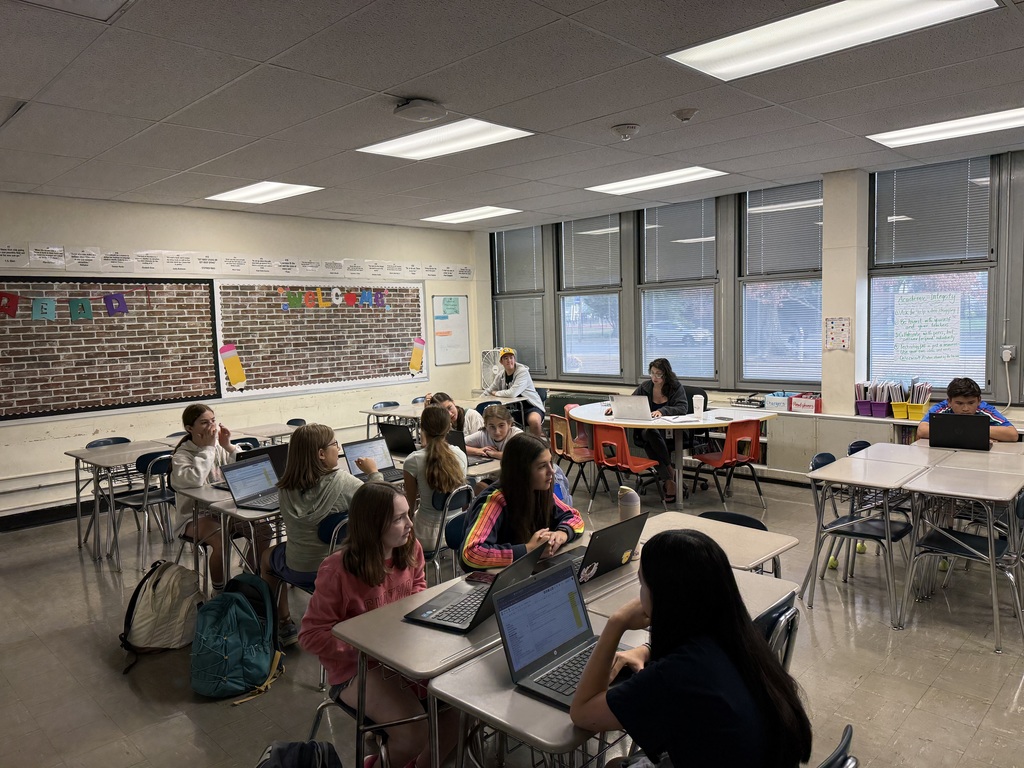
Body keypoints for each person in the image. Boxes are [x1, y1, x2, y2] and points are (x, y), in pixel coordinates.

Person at [570, 529, 813, 768]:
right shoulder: (740, 639)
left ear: (666, 598)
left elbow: (582, 713)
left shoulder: (673, 676)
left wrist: (616, 624)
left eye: (643, 585)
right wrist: (646, 650)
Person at [299, 482, 459, 768]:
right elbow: (310, 636)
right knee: (413, 734)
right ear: (372, 525)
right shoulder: (338, 570)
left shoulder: (409, 548)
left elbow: (417, 593)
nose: (410, 524)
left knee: (459, 707)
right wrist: (368, 646)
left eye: (409, 514)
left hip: (402, 659)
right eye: (399, 519)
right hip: (355, 669)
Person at [258, 423, 381, 647]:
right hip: (338, 570)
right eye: (334, 443)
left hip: (297, 568)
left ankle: (284, 623)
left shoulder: (284, 488)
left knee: (267, 556)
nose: (338, 447)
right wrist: (373, 473)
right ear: (321, 454)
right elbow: (381, 503)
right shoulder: (346, 483)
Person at [171, 403, 270, 592]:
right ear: (190, 428)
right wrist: (208, 448)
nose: (211, 427)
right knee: (220, 537)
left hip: (224, 509)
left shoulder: (218, 447)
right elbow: (195, 479)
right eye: (204, 423)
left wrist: (229, 446)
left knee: (263, 529)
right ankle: (221, 591)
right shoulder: (182, 455)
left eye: (213, 421)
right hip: (195, 517)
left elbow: (244, 470)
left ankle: (249, 580)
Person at [460, 433, 584, 571]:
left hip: (525, 572)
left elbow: (574, 517)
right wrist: (528, 550)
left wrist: (562, 534)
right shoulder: (495, 500)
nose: (551, 471)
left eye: (550, 463)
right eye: (542, 466)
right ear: (521, 471)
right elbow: (471, 553)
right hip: (496, 581)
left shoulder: (539, 489)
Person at [605, 358, 688, 503]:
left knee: (651, 442)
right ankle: (669, 474)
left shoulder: (675, 387)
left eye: (658, 374)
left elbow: (682, 408)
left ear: (666, 375)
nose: (654, 377)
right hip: (647, 431)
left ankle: (668, 478)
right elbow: (630, 403)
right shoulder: (645, 387)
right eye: (652, 373)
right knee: (650, 433)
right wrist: (616, 408)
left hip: (672, 433)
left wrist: (663, 411)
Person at [402, 405, 468, 551]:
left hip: (427, 536)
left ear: (422, 428)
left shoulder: (413, 461)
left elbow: (410, 507)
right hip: (458, 529)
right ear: (449, 427)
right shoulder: (461, 455)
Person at [915, 376, 1017, 442]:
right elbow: (922, 430)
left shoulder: (985, 409)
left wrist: (957, 432)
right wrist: (979, 434)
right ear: (949, 401)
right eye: (959, 403)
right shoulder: (942, 407)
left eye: (971, 403)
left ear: (979, 400)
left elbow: (1012, 434)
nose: (965, 408)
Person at [482, 347, 546, 438]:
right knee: (499, 421)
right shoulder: (500, 375)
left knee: (534, 421)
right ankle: (508, 447)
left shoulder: (522, 372)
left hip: (532, 407)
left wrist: (497, 393)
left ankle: (537, 448)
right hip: (514, 410)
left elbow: (513, 393)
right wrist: (478, 400)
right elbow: (490, 390)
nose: (509, 360)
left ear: (514, 359)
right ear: (501, 362)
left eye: (511, 358)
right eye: (506, 358)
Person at [465, 404, 523, 492]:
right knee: (475, 488)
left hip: (516, 479)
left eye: (501, 425)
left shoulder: (516, 435)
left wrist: (494, 454)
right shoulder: (483, 434)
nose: (497, 431)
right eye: (492, 426)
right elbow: (458, 445)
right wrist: (477, 451)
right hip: (494, 479)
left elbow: (517, 455)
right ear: (486, 425)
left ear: (509, 424)